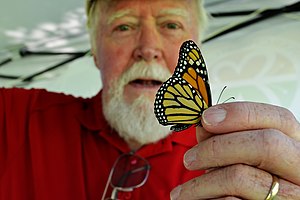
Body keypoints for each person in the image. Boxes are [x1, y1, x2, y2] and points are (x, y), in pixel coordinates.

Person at [1, 0, 299, 200]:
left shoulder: (240, 155)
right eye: (123, 26)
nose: (148, 48)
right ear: (94, 51)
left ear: (197, 44)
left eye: (171, 25)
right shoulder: (16, 116)